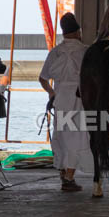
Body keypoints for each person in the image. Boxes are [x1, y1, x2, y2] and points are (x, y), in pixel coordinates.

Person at [38, 13, 92, 192]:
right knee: (77, 136)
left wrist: (52, 93)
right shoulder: (85, 51)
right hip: (78, 97)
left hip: (60, 97)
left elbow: (43, 78)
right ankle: (69, 176)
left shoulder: (55, 52)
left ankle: (64, 173)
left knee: (61, 134)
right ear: (77, 32)